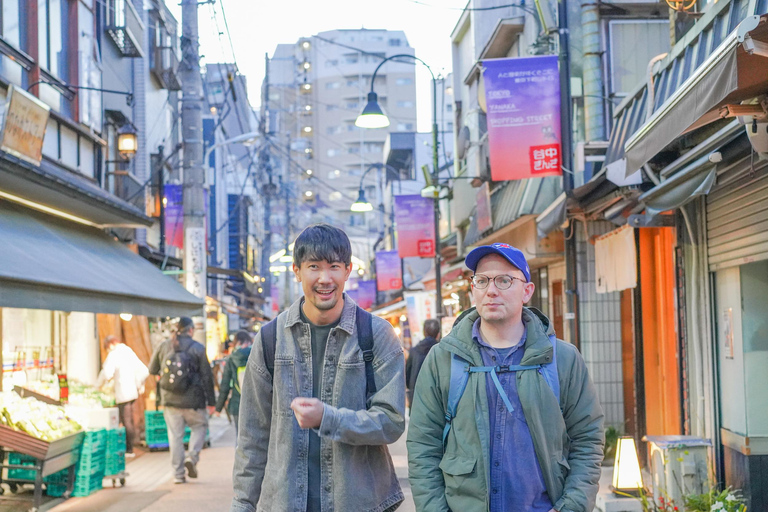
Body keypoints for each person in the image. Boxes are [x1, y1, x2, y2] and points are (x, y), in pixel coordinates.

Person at [407, 242, 604, 512]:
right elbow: (422, 446)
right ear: (472, 288)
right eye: (482, 280)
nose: (491, 290)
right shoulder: (444, 360)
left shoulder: (562, 359)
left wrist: (571, 506)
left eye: (504, 280)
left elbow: (588, 437)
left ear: (527, 291)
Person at [231, 223, 406, 512]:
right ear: (297, 271)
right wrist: (242, 504)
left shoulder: (376, 334)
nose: (325, 278)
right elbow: (252, 434)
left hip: (358, 503)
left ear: (348, 271)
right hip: (285, 502)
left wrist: (329, 418)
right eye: (314, 266)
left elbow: (392, 421)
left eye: (334, 266)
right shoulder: (270, 339)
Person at [148, 317, 216, 484]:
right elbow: (207, 377)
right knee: (199, 427)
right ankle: (192, 457)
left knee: (175, 436)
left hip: (170, 400)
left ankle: (178, 475)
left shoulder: (165, 345)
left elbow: (152, 369)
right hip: (194, 401)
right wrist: (212, 402)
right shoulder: (198, 348)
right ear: (191, 330)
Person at [96, 335, 149, 457]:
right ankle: (130, 447)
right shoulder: (128, 351)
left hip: (123, 393)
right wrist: (139, 384)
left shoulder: (115, 354)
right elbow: (144, 370)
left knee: (126, 421)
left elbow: (107, 373)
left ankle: (129, 449)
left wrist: (97, 385)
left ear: (109, 345)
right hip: (132, 392)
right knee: (128, 420)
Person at [214, 330, 253, 438]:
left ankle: (240, 455)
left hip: (237, 403)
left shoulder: (232, 359)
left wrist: (219, 407)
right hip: (256, 403)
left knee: (240, 437)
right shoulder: (257, 354)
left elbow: (225, 385)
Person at [405, 318, 441, 411]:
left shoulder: (414, 351)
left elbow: (407, 376)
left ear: (424, 332)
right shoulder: (443, 351)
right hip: (437, 400)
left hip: (416, 398)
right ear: (438, 334)